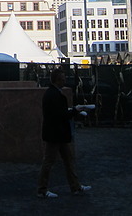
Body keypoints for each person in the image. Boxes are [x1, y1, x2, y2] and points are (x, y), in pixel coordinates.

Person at [37, 69, 93, 198]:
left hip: (56, 133)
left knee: (67, 160)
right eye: (63, 79)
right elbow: (59, 115)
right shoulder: (54, 95)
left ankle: (75, 186)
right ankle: (43, 189)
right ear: (57, 80)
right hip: (56, 133)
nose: (65, 81)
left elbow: (57, 113)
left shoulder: (51, 94)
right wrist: (75, 111)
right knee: (52, 161)